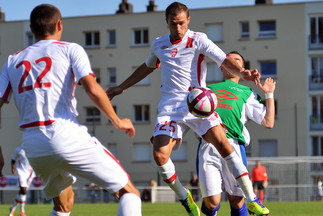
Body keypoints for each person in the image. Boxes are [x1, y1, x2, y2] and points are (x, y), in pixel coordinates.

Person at [107, 2, 268, 216]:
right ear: (167, 22)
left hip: (198, 104)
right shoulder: (158, 44)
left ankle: (252, 199)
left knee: (225, 144)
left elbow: (224, 60)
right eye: (174, 24)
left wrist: (244, 73)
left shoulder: (198, 40)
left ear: (188, 20)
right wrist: (121, 87)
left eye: (182, 23)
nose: (178, 28)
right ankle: (185, 197)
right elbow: (147, 67)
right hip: (170, 109)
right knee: (159, 156)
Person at [0, 4, 141, 216]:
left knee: (63, 206)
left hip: (33, 145)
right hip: (64, 134)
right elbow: (92, 88)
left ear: (31, 28)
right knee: (129, 193)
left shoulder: (12, 61)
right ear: (59, 24)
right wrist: (118, 121)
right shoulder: (70, 49)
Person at [197, 51, 275, 216]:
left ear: (242, 69)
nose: (232, 62)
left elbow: (269, 122)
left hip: (233, 146)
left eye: (236, 60)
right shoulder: (206, 90)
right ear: (222, 66)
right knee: (211, 204)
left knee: (237, 200)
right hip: (209, 146)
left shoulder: (246, 92)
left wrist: (269, 94)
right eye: (228, 60)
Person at [9, 146, 36, 216]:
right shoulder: (19, 149)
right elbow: (13, 158)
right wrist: (13, 168)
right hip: (21, 172)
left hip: (30, 172)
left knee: (21, 192)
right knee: (23, 190)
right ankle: (22, 211)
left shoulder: (33, 148)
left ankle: (12, 208)